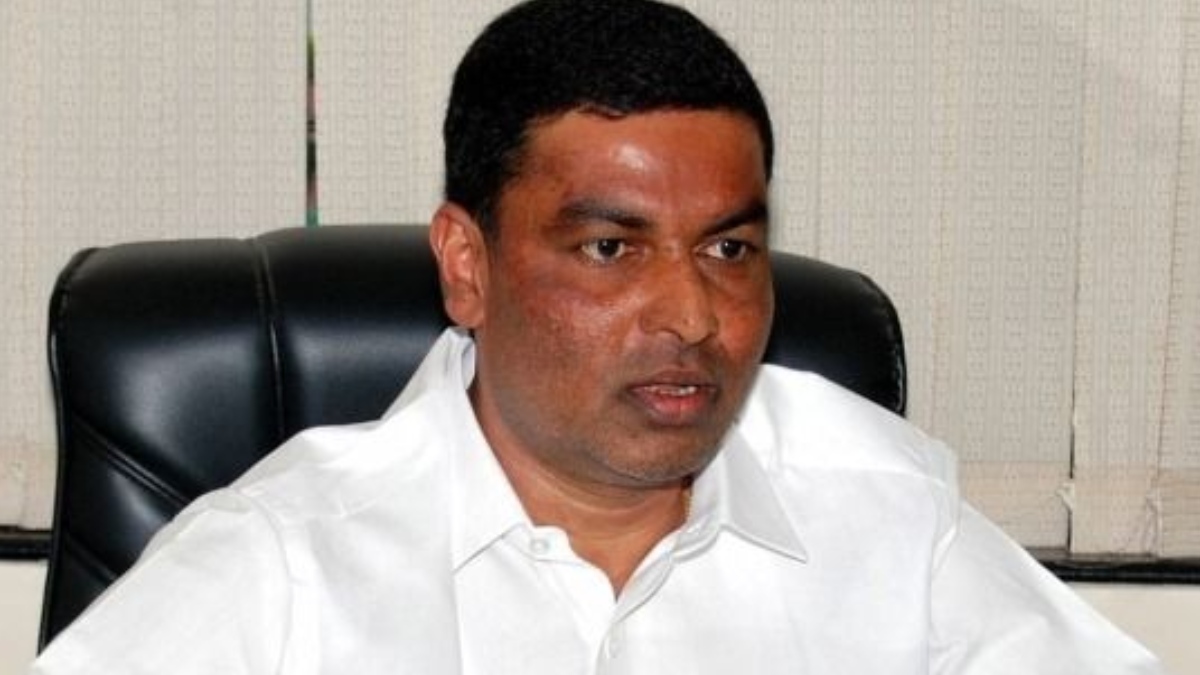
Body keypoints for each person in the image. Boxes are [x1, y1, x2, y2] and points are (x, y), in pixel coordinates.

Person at [31, 0, 1166, 673]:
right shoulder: (278, 566)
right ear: (467, 265)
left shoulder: (883, 507)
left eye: (729, 248)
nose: (694, 317)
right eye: (611, 248)